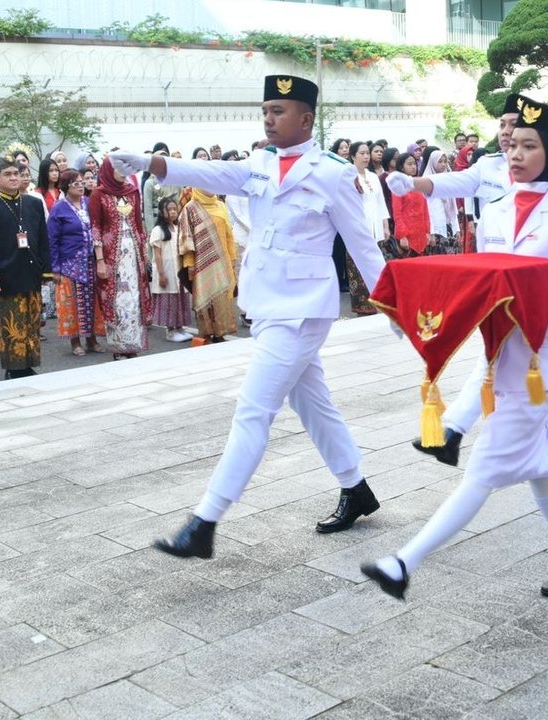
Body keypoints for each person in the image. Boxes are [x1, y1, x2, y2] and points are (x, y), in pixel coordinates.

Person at [111, 73, 389, 556]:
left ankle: (204, 522)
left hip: (303, 309)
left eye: (278, 111)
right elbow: (208, 172)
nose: (268, 119)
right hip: (266, 303)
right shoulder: (259, 163)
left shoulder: (332, 172)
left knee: (253, 409)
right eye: (265, 111)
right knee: (311, 402)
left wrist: (397, 305)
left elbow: (363, 245)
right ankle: (356, 487)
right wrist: (150, 162)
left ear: (306, 118)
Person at [361, 97, 548, 601]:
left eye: (529, 146)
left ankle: (404, 562)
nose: (515, 153)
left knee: (483, 469)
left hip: (541, 365)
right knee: (541, 472)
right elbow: (480, 282)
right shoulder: (496, 209)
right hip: (498, 359)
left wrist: (531, 289)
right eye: (513, 145)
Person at [387, 93, 548, 462]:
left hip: (534, 282)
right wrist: (413, 184)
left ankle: (452, 430)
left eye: (514, 126)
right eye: (503, 125)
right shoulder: (488, 166)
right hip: (496, 272)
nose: (506, 132)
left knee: (499, 357)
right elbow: (453, 182)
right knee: (508, 359)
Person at [0, 159, 52, 379]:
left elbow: (43, 239)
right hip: (5, 273)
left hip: (31, 270)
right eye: (7, 174)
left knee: (31, 322)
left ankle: (29, 364)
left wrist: (46, 270)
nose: (14, 178)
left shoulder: (33, 203)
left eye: (16, 173)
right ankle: (14, 368)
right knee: (12, 324)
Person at [89, 158, 150, 360]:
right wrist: (100, 260)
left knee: (133, 298)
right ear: (108, 169)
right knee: (117, 301)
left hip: (133, 255)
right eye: (118, 168)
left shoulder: (132, 191)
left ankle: (133, 344)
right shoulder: (99, 194)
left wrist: (144, 254)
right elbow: (96, 228)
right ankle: (119, 347)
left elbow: (139, 224)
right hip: (111, 257)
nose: (123, 172)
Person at [47, 168, 106, 356]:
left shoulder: (88, 203)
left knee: (91, 301)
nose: (80, 186)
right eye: (76, 183)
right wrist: (55, 268)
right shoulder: (59, 208)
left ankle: (92, 339)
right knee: (72, 303)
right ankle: (75, 342)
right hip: (69, 263)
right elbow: (52, 240)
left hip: (89, 261)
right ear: (66, 186)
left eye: (82, 182)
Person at [177, 186, 238, 343]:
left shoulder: (221, 205)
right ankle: (207, 334)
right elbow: (186, 238)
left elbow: (229, 235)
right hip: (201, 264)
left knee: (222, 297)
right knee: (205, 297)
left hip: (222, 261)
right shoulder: (190, 208)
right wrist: (189, 264)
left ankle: (219, 333)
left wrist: (232, 258)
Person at [346, 140, 388, 315]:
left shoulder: (373, 177)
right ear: (353, 156)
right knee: (358, 267)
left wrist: (385, 225)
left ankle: (379, 301)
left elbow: (381, 202)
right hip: (358, 228)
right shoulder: (348, 176)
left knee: (376, 264)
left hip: (376, 226)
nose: (366, 157)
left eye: (367, 153)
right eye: (361, 153)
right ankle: (362, 305)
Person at [149, 198, 192, 343]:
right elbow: (157, 255)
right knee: (170, 301)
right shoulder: (158, 230)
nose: (173, 212)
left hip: (179, 270)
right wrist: (161, 274)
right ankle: (170, 330)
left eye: (175, 209)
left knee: (180, 298)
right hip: (166, 271)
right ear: (162, 212)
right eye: (169, 209)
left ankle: (180, 328)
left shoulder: (178, 227)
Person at [389, 152, 432, 257]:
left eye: (414, 164)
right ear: (401, 167)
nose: (413, 167)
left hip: (421, 232)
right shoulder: (398, 185)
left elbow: (425, 209)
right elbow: (397, 213)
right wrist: (402, 235)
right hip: (407, 234)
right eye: (409, 164)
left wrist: (427, 231)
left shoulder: (419, 183)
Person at [420, 149, 460, 254]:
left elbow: (453, 206)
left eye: (445, 161)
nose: (443, 164)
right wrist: (431, 231)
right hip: (436, 228)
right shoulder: (426, 181)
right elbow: (427, 209)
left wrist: (457, 228)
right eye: (440, 161)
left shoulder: (448, 179)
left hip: (449, 226)